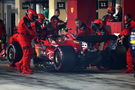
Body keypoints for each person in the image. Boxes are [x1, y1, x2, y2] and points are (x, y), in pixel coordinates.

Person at [10, 9, 38, 74]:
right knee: (27, 51)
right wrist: (35, 35)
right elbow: (30, 30)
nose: (34, 19)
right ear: (30, 15)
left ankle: (20, 64)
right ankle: (24, 69)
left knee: (30, 52)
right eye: (33, 17)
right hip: (22, 37)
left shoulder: (27, 20)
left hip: (26, 37)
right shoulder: (25, 20)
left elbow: (31, 31)